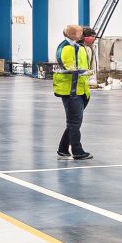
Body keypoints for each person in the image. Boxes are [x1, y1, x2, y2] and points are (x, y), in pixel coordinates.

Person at [52, 23, 93, 161]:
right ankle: (77, 151)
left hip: (81, 89)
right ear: (73, 35)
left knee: (74, 122)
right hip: (71, 90)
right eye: (81, 33)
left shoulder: (78, 47)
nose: (83, 35)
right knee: (75, 122)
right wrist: (84, 72)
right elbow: (69, 67)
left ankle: (63, 149)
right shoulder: (67, 48)